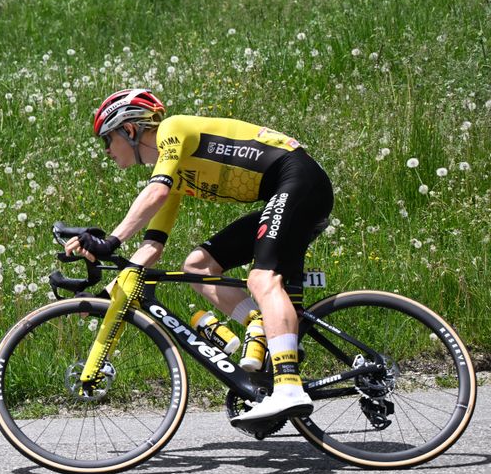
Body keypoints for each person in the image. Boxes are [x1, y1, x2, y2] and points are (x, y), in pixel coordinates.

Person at [65, 88, 332, 424]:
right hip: (287, 190)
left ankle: (289, 388)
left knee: (262, 279)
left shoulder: (173, 131)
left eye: (107, 139)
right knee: (198, 266)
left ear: (129, 130)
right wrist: (107, 296)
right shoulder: (174, 174)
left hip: (298, 179)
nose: (106, 151)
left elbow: (156, 192)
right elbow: (153, 246)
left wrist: (112, 240)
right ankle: (261, 326)